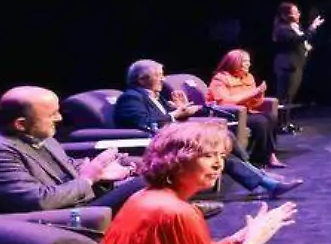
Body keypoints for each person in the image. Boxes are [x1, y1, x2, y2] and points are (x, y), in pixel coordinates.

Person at [101, 121, 298, 244]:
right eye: (208, 156)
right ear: (177, 160)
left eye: (221, 156)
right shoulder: (178, 212)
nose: (218, 164)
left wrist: (238, 238)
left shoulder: (141, 197)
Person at [113, 59, 301, 199]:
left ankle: (263, 179)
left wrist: (184, 109)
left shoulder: (156, 96)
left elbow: (169, 115)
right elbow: (144, 122)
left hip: (174, 138)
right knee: (213, 149)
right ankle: (265, 180)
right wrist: (175, 114)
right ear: (142, 78)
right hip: (158, 144)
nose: (163, 78)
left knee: (221, 137)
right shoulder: (131, 98)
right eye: (159, 74)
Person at [0, 86, 155, 216]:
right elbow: (39, 202)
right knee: (151, 180)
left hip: (73, 204)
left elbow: (64, 166)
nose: (60, 118)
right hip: (51, 224)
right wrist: (88, 179)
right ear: (20, 124)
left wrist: (102, 170)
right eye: (52, 114)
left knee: (144, 169)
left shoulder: (37, 135)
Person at [207, 49, 286, 168]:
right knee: (261, 122)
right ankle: (259, 160)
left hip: (246, 112)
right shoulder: (220, 79)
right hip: (228, 115)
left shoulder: (249, 77)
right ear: (234, 62)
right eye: (245, 61)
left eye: (248, 61)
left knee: (271, 117)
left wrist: (259, 95)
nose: (248, 64)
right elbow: (225, 102)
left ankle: (268, 155)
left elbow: (255, 104)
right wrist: (253, 92)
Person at [272, 2, 324, 131]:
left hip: (296, 65)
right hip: (286, 66)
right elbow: (297, 40)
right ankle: (280, 124)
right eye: (294, 12)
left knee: (290, 96)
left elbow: (301, 40)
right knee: (284, 96)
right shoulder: (281, 29)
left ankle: (286, 123)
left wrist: (306, 47)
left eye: (297, 11)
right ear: (285, 15)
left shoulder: (295, 26)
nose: (298, 14)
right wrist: (312, 27)